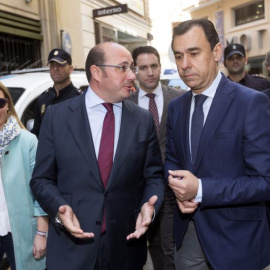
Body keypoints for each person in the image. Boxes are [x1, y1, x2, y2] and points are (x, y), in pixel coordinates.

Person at [30, 42, 165, 270]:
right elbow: (41, 180)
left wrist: (149, 206)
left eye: (131, 67)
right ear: (96, 72)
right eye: (123, 67)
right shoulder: (57, 117)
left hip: (126, 249)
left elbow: (154, 177)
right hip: (71, 251)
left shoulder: (142, 120)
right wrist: (59, 207)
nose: (132, 75)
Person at [165, 19, 270, 270]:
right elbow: (171, 160)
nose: (184, 65)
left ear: (216, 52)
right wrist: (178, 187)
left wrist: (200, 189)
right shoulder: (176, 108)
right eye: (178, 56)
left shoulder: (250, 103)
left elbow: (264, 182)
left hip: (237, 242)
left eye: (193, 53)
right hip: (188, 237)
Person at [130, 45, 185, 270]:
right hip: (138, 189)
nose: (150, 72)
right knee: (147, 243)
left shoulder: (180, 99)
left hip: (173, 187)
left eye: (154, 66)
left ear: (160, 67)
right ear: (135, 71)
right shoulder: (125, 104)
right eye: (143, 68)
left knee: (170, 244)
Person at [0, 82, 48, 270]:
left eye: (0, 102)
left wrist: (42, 234)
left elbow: (41, 192)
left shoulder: (27, 141)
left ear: (8, 106)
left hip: (21, 232)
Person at [31, 48, 81, 137]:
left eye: (60, 65)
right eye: (52, 65)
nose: (55, 69)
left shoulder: (79, 99)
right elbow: (37, 133)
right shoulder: (43, 99)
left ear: (71, 69)